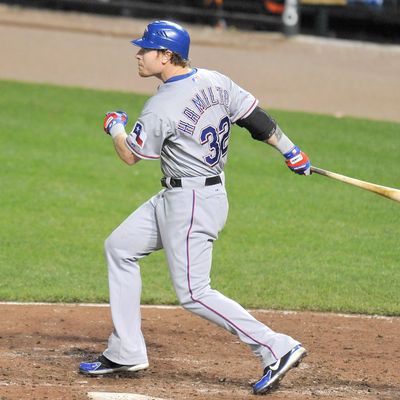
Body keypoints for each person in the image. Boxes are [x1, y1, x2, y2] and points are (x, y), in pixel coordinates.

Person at [79, 20, 310, 395]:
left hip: (190, 204)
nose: (138, 55)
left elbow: (130, 155)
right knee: (119, 248)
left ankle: (276, 347)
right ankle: (126, 351)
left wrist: (114, 126)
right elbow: (256, 119)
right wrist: (291, 150)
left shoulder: (162, 104)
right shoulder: (216, 80)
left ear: (166, 56)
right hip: (186, 196)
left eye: (146, 50)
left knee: (193, 292)